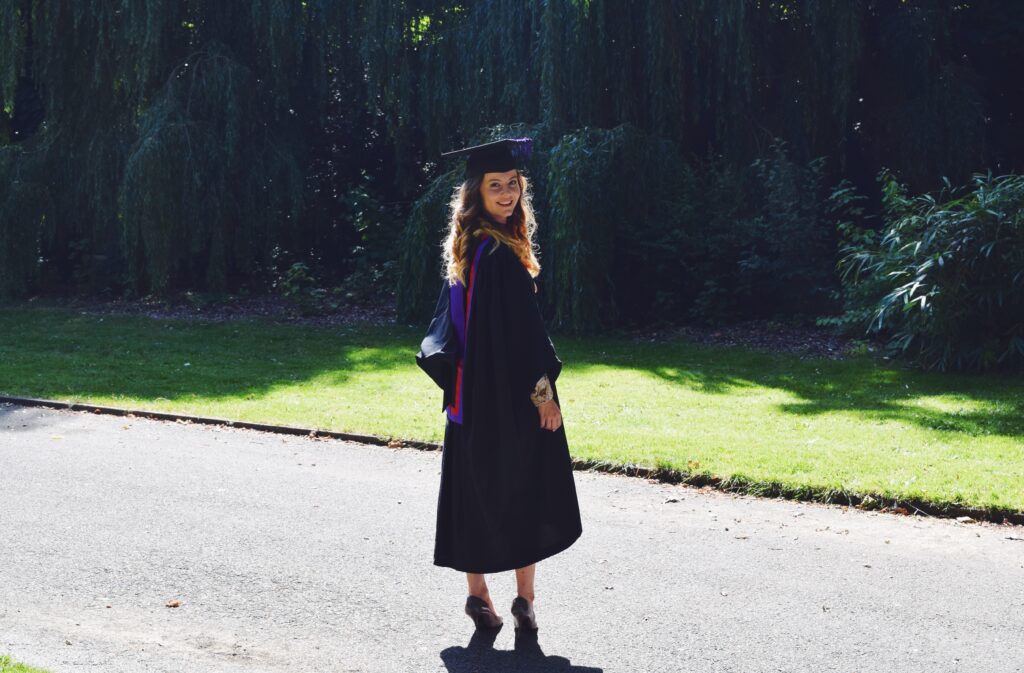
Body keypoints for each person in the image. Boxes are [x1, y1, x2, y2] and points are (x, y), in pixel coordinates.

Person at [416, 137, 583, 633]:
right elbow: (524, 335)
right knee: (525, 490)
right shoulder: (503, 257)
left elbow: (448, 330)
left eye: (513, 185)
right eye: (496, 186)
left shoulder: (466, 250)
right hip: (508, 402)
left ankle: (476, 596)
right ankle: (525, 601)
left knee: (473, 497)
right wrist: (544, 397)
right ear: (478, 193)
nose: (507, 194)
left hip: (467, 405)